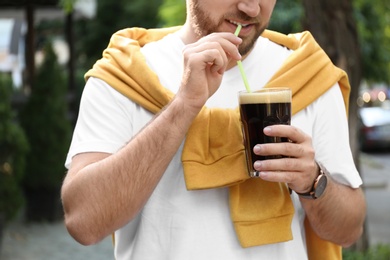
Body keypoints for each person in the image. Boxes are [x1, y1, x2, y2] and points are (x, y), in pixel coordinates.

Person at [61, 0, 366, 259]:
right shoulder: (125, 75)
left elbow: (348, 230)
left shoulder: (308, 75)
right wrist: (183, 106)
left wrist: (313, 180)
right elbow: (84, 222)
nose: (251, 7)